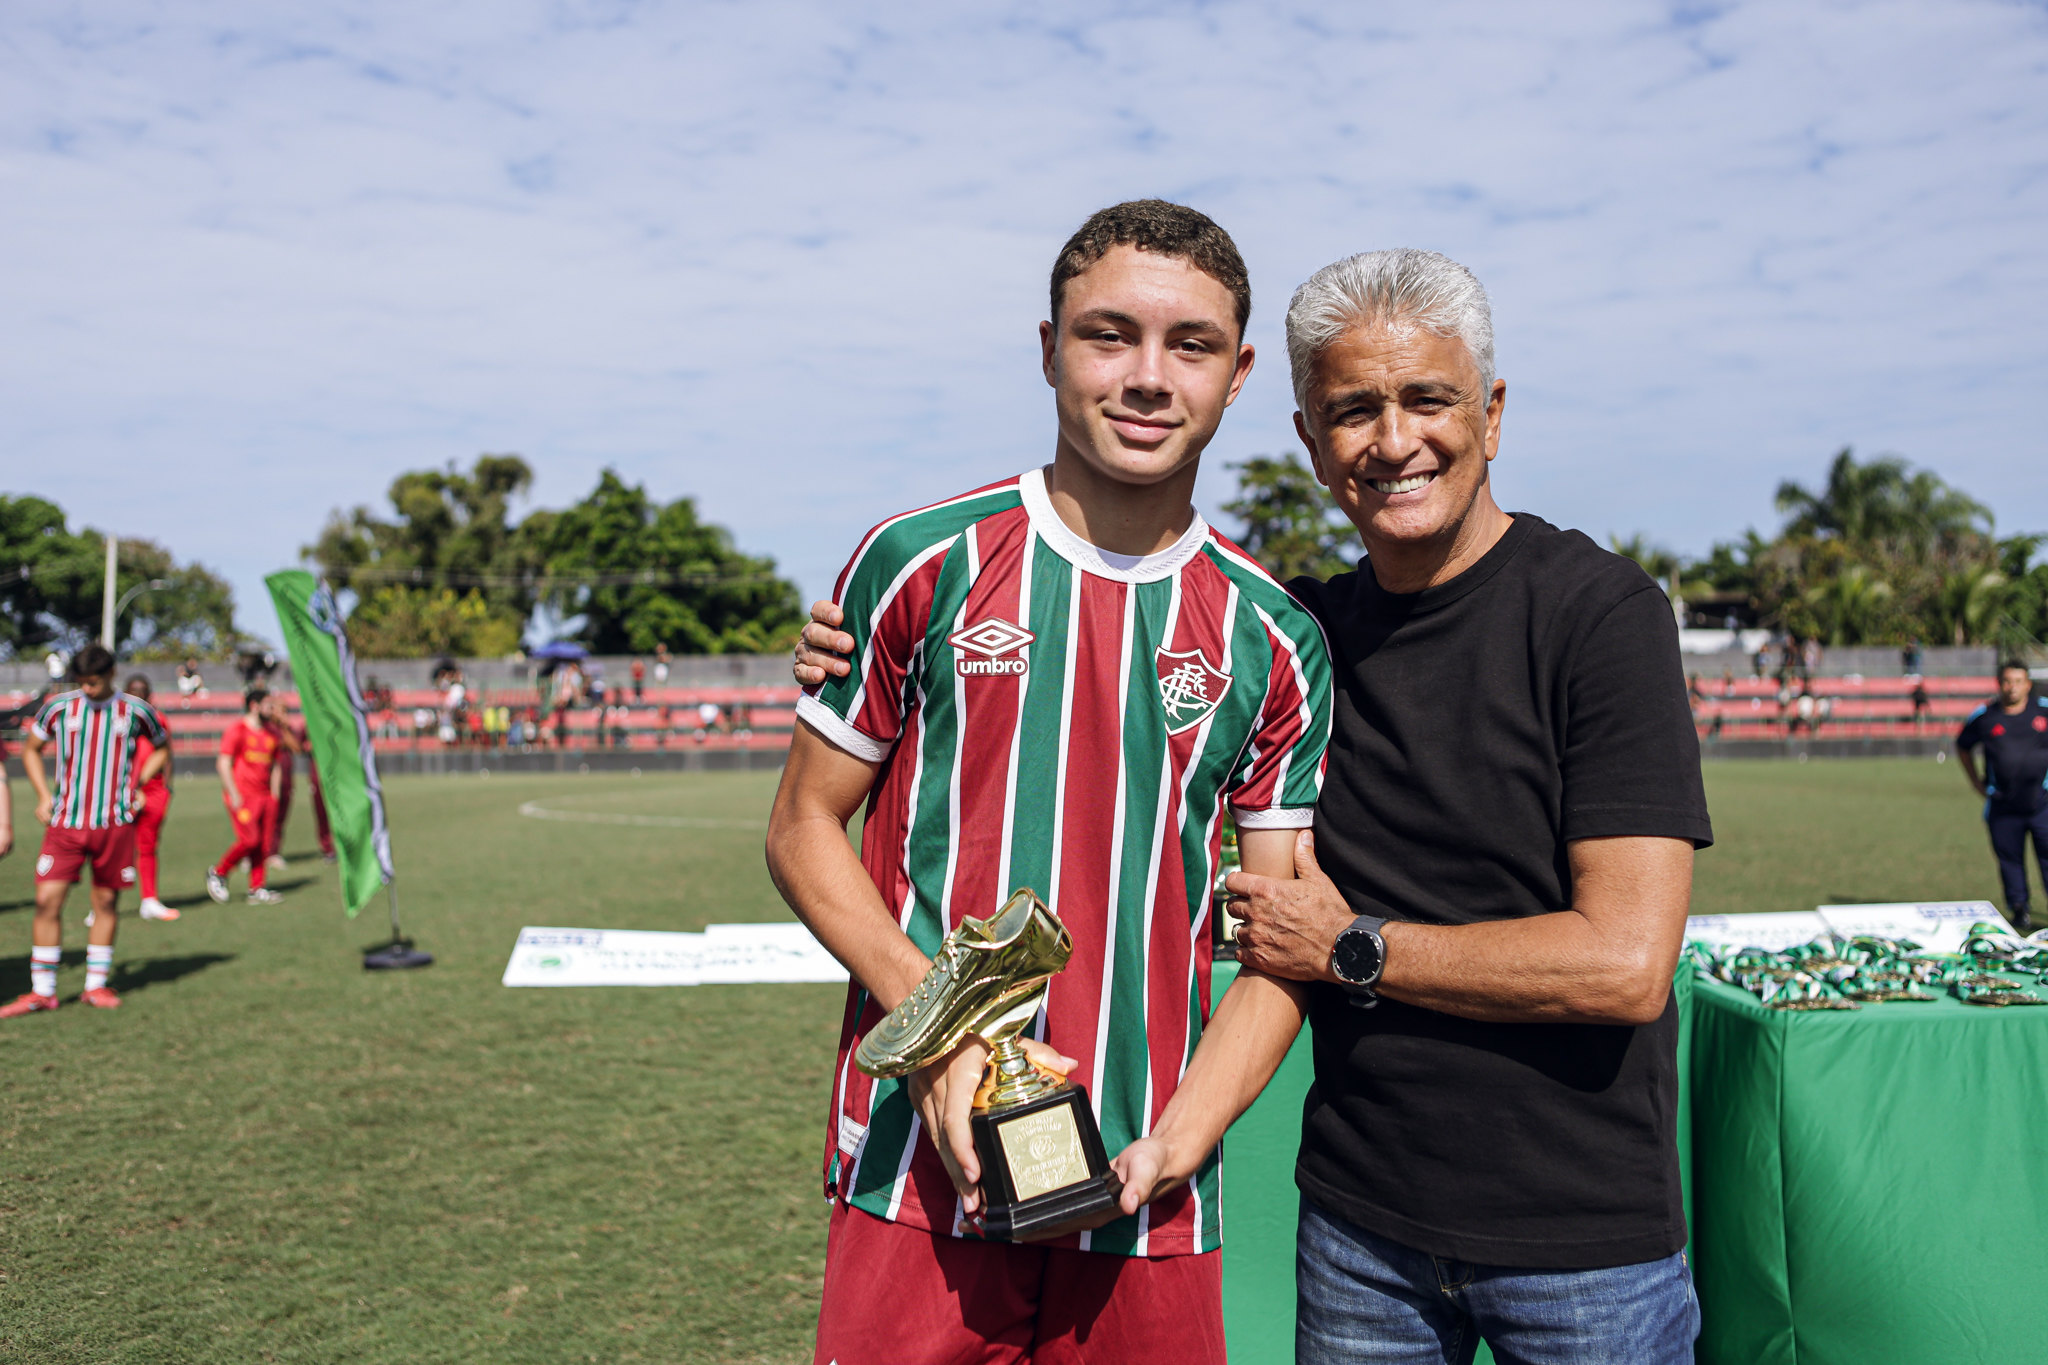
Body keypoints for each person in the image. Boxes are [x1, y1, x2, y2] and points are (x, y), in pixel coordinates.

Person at [795, 246, 1712, 1363]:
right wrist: (850, 639)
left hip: (1569, 1238)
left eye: (1428, 399)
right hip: (1354, 1223)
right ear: (1309, 439)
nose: (1393, 440)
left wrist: (1323, 978)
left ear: (1492, 411)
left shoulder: (1575, 614)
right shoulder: (1294, 626)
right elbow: (808, 818)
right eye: (1353, 410)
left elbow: (1623, 963)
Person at [773, 200, 1333, 1365]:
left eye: (1188, 346)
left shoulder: (1274, 637)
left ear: (1235, 376)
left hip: (1149, 1192)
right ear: (1047, 349)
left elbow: (1280, 940)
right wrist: (939, 1034)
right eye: (1106, 335)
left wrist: (1185, 1137)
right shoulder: (919, 562)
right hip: (915, 1172)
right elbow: (802, 828)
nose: (1146, 377)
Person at [4, 645, 171, 1016]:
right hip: (66, 824)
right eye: (81, 682)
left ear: (111, 674)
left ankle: (95, 985)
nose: (87, 689)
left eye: (93, 682)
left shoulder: (136, 711)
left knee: (106, 903)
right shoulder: (59, 708)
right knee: (47, 901)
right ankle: (42, 991)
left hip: (114, 823)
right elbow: (31, 750)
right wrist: (43, 795)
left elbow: (162, 747)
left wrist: (138, 782)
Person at [1957, 661, 2048, 935]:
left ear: (2028, 684)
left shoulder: (2044, 710)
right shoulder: (1985, 716)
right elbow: (1963, 746)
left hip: (2043, 804)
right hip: (2003, 806)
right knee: (2010, 861)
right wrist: (1976, 782)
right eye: (2007, 681)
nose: (2012, 687)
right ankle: (2019, 910)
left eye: (2018, 681)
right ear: (1999, 684)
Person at [207, 688, 301, 905]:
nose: (272, 710)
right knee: (250, 840)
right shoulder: (237, 730)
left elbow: (276, 765)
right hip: (243, 796)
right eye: (269, 705)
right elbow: (224, 763)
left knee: (263, 845)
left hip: (265, 797)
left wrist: (274, 795)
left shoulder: (272, 733)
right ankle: (219, 872)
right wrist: (233, 793)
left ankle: (257, 888)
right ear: (254, 706)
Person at [122, 675, 180, 920]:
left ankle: (149, 900)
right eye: (133, 690)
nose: (138, 695)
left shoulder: (158, 719)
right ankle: (101, 905)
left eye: (142, 690)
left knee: (148, 845)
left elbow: (166, 753)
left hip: (154, 791)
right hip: (121, 790)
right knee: (113, 847)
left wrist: (167, 787)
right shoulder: (116, 719)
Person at [267, 707, 335, 867]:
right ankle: (260, 853)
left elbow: (297, 747)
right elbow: (299, 746)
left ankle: (271, 852)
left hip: (287, 777)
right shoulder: (266, 728)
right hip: (268, 776)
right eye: (281, 710)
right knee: (267, 814)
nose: (284, 714)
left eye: (285, 711)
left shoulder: (287, 729)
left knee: (280, 815)